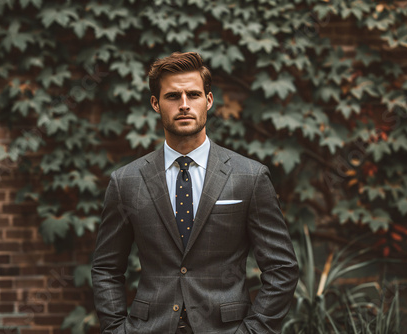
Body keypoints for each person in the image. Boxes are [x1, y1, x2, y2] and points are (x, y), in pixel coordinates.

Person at [91, 52, 299, 334]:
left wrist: (255, 330)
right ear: (155, 103)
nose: (184, 105)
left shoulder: (249, 176)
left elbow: (282, 267)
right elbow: (106, 268)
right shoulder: (126, 181)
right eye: (173, 96)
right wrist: (117, 328)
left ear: (208, 100)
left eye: (193, 94)